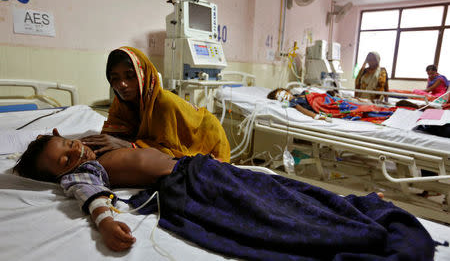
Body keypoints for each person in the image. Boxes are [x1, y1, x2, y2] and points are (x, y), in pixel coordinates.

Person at [12, 130, 437, 260]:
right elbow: (89, 193)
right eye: (63, 161)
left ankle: (350, 210)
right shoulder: (82, 174)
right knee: (269, 211)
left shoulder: (90, 146)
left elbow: (93, 145)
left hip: (200, 167)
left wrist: (99, 141)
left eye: (67, 145)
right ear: (59, 178)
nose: (74, 155)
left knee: (281, 189)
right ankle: (349, 229)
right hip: (189, 184)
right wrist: (105, 222)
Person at [81, 47, 230, 162]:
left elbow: (170, 155)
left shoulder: (163, 104)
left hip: (206, 140)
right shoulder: (120, 104)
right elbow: (110, 139)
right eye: (115, 78)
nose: (122, 84)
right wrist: (80, 146)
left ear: (143, 76)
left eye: (130, 76)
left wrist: (129, 146)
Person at [267, 88, 396, 123]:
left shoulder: (300, 93)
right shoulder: (293, 103)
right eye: (280, 97)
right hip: (329, 108)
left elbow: (318, 97)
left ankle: (390, 112)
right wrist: (317, 117)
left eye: (283, 93)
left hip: (333, 101)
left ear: (287, 90)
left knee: (361, 105)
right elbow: (301, 110)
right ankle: (386, 115)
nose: (284, 96)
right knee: (360, 111)